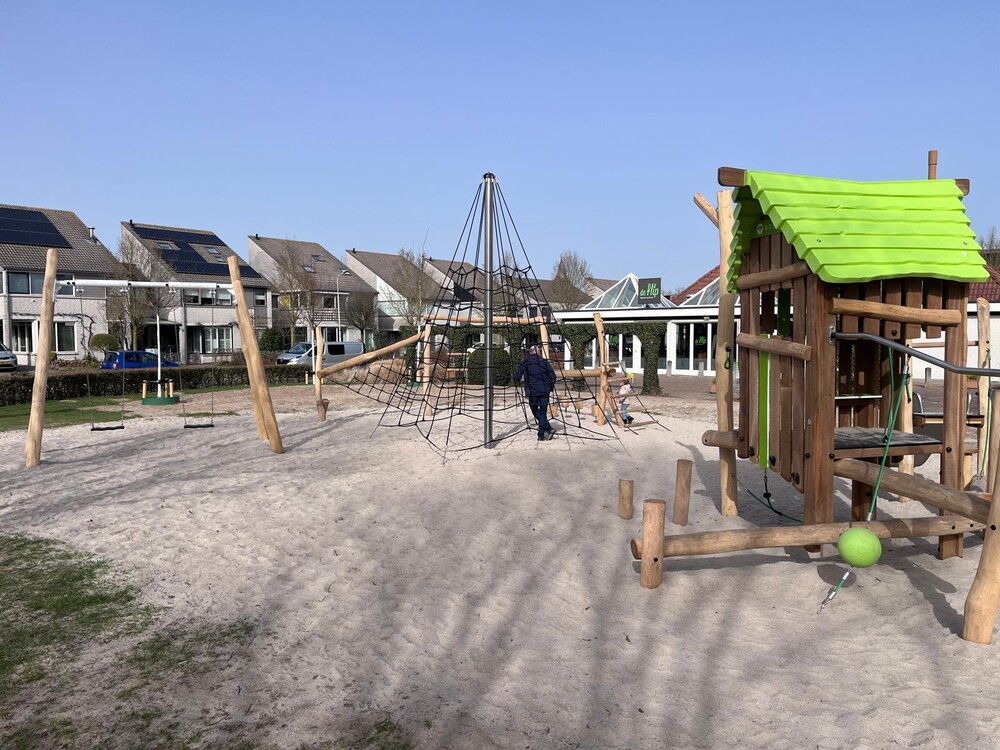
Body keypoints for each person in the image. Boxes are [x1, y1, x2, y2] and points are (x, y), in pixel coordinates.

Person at [514, 344, 557, 440]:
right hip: (544, 390)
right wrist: (550, 386)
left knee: (535, 410)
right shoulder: (544, 362)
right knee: (543, 412)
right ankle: (546, 430)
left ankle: (544, 433)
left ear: (531, 353)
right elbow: (553, 376)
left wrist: (518, 380)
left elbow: (517, 377)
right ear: (537, 352)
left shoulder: (525, 362)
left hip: (532, 391)